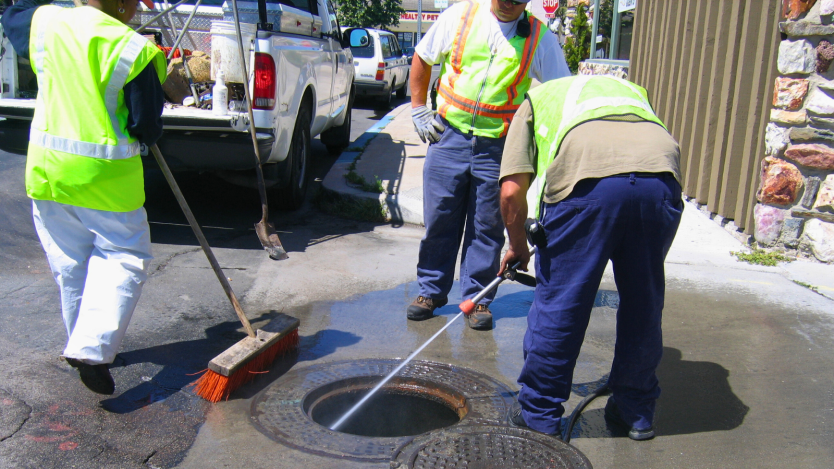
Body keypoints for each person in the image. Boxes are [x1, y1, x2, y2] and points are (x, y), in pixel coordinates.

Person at [498, 75, 683, 439]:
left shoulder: (536, 101)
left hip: (589, 187)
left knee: (562, 302)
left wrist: (517, 245)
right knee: (644, 301)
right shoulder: (630, 91)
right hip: (660, 184)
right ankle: (636, 412)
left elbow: (510, 192)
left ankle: (539, 415)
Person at [1, 0, 166, 395]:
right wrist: (148, 133)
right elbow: (146, 124)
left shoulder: (47, 24)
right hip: (104, 179)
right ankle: (91, 350)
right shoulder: (133, 49)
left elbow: (13, 14)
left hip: (48, 172)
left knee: (71, 264)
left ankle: (83, 344)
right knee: (125, 257)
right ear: (123, 5)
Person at [407, 0, 570, 330]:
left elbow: (560, 91)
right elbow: (423, 56)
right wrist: (418, 108)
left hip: (498, 144)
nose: (510, 3)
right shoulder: (462, 16)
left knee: (487, 228)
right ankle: (431, 291)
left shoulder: (539, 38)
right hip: (448, 136)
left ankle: (477, 298)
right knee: (440, 218)